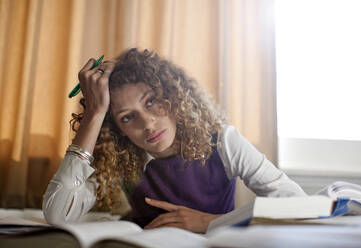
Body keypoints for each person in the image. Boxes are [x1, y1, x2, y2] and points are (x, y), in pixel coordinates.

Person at [42, 48, 306, 233]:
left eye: (151, 102)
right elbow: (57, 215)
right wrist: (94, 114)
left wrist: (210, 222)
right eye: (127, 117)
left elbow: (296, 203)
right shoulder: (121, 156)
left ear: (172, 96)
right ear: (119, 129)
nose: (147, 123)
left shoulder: (223, 142)